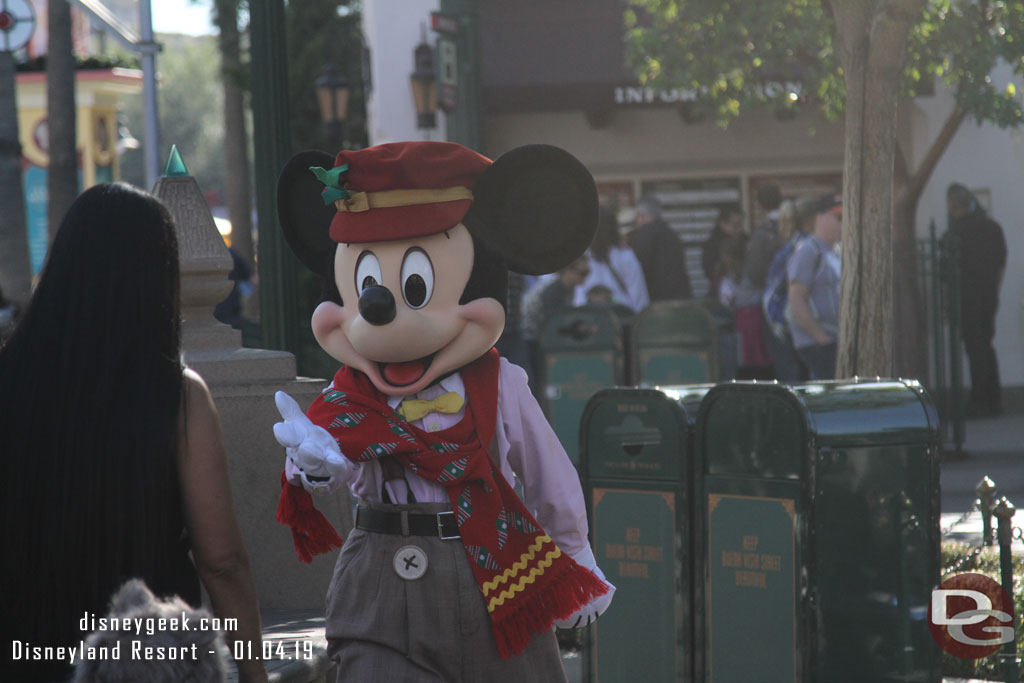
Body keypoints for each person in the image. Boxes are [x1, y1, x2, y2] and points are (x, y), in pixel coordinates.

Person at [273, 142, 613, 681]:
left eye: (416, 288)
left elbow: (549, 477)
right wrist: (315, 465)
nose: (383, 314)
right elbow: (338, 461)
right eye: (367, 289)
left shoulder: (501, 383)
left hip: (494, 573)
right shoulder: (350, 394)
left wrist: (576, 560)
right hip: (380, 570)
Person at [0, 183, 267, 683]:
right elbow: (223, 561)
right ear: (159, 278)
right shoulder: (180, 398)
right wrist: (253, 675)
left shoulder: (9, 380)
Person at [947, 183, 1008, 416]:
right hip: (988, 296)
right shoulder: (993, 228)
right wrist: (995, 291)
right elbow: (1001, 264)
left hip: (965, 298)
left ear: (952, 207)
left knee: (974, 348)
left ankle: (980, 399)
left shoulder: (954, 233)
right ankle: (994, 398)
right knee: (987, 346)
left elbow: (946, 274)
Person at [786, 193, 843, 380]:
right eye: (838, 218)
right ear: (820, 218)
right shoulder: (808, 251)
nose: (843, 223)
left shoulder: (836, 251)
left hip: (835, 342)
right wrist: (820, 338)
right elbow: (796, 299)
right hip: (817, 344)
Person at [734, 184, 783, 379]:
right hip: (789, 301)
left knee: (772, 359)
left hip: (766, 303)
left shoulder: (763, 233)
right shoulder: (789, 229)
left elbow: (754, 273)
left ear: (760, 206)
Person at [573, 205, 649, 312]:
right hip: (621, 318)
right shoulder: (625, 255)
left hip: (590, 319)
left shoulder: (583, 257)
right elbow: (638, 296)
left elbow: (579, 296)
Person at [629, 194, 692, 301]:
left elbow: (641, 265)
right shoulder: (671, 233)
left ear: (641, 216)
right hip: (680, 294)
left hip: (658, 297)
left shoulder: (645, 234)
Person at [701, 203, 745, 298]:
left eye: (740, 224)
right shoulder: (712, 245)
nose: (739, 229)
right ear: (722, 223)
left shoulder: (744, 239)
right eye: (735, 225)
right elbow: (709, 271)